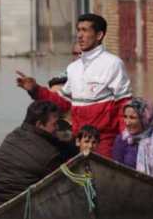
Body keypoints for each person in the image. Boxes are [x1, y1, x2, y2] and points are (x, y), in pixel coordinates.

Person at [15, 13, 132, 158]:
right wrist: (35, 89)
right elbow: (62, 104)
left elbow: (124, 106)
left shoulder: (113, 64)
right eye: (78, 30)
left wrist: (127, 141)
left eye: (85, 30)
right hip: (78, 140)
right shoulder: (73, 68)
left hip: (103, 140)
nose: (80, 35)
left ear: (99, 35)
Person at [0, 100, 65, 209]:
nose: (57, 128)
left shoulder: (12, 136)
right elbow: (62, 183)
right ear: (39, 124)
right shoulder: (49, 154)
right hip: (25, 208)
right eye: (54, 124)